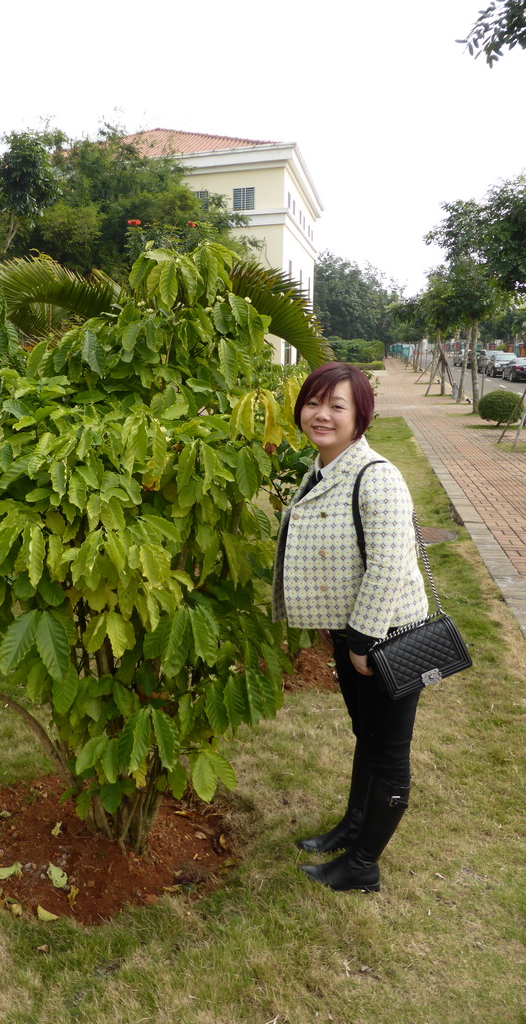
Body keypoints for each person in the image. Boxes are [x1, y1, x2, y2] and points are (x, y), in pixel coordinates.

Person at [271, 362, 428, 892]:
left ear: (360, 416)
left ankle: (363, 865)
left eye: (337, 406)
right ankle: (353, 826)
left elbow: (390, 564)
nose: (322, 414)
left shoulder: (375, 474)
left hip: (388, 639)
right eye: (314, 402)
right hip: (353, 635)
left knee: (388, 751)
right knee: (367, 736)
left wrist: (362, 640)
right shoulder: (323, 468)